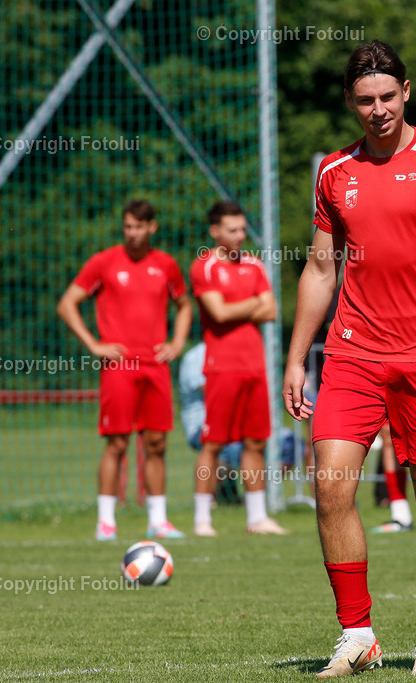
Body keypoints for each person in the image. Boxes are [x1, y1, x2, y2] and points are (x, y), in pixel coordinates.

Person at [283, 40, 416, 677]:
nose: (376, 110)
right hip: (352, 353)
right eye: (363, 100)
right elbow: (321, 267)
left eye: (386, 97)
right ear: (351, 103)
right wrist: (296, 358)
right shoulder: (333, 172)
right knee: (330, 488)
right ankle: (358, 635)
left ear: (406, 92)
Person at [57, 199, 191, 541]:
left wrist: (177, 342)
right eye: (127, 226)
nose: (132, 233)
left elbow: (184, 304)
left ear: (152, 228)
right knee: (117, 442)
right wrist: (93, 344)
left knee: (157, 442)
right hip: (118, 366)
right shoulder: (104, 262)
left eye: (139, 227)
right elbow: (68, 303)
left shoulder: (166, 265)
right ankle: (106, 521)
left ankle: (158, 520)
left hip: (156, 366)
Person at [190, 200, 288, 537]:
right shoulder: (203, 267)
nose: (240, 236)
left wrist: (240, 308)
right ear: (214, 231)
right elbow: (219, 314)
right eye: (232, 230)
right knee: (213, 443)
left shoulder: (255, 264)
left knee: (255, 442)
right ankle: (203, 519)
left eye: (243, 229)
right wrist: (252, 306)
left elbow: (272, 309)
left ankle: (257, 517)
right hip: (221, 367)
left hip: (255, 367)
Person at [178, 342, 244, 504]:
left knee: (286, 444)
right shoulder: (196, 356)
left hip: (237, 423)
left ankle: (259, 500)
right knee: (230, 448)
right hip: (201, 425)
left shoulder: (239, 351)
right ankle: (208, 502)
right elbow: (210, 390)